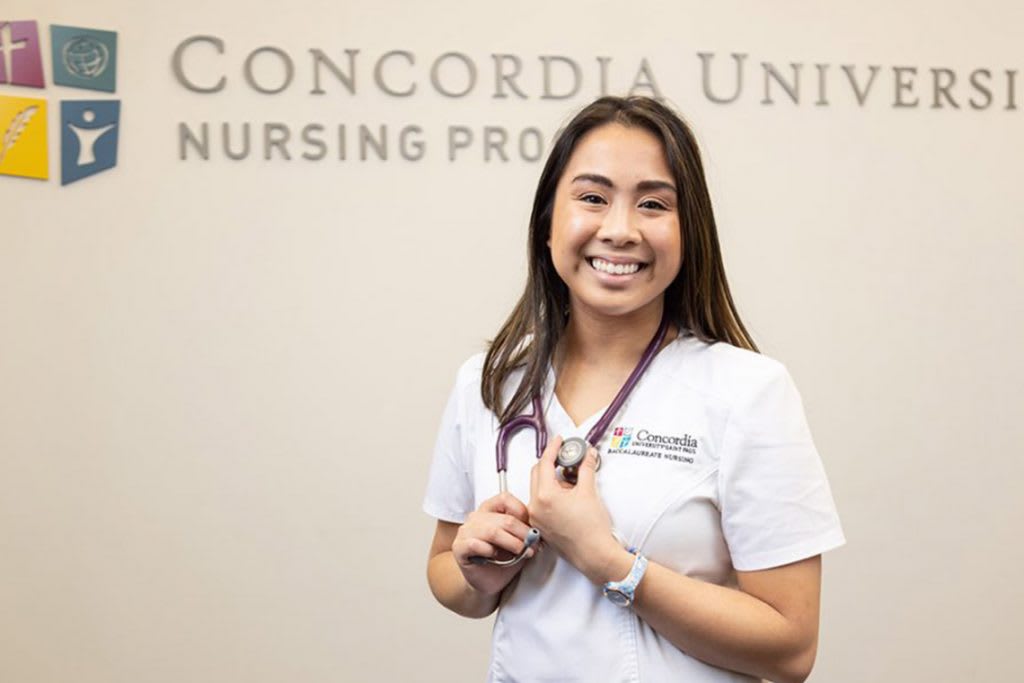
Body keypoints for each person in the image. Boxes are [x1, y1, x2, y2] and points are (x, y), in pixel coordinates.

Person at [423, 95, 845, 683]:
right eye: (592, 198)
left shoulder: (748, 391)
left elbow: (790, 647)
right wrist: (478, 574)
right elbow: (446, 571)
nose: (619, 230)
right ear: (548, 220)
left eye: (653, 203)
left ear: (687, 230)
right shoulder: (490, 381)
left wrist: (607, 560)